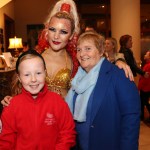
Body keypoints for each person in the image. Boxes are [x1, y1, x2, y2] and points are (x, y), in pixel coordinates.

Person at [66, 31, 141, 150]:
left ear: (101, 52)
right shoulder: (77, 78)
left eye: (88, 48)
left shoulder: (119, 75)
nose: (82, 54)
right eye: (79, 50)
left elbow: (130, 117)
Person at [0, 50, 76, 149]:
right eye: (27, 75)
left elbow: (67, 133)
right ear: (19, 77)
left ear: (45, 73)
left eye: (38, 73)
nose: (33, 79)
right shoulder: (11, 106)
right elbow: (6, 141)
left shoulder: (58, 102)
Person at [138, 51, 150, 122]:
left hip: (145, 88)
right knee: (142, 102)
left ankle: (142, 117)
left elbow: (144, 78)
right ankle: (141, 117)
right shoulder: (146, 65)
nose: (145, 55)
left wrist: (139, 87)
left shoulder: (148, 66)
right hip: (146, 87)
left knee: (144, 102)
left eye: (146, 54)